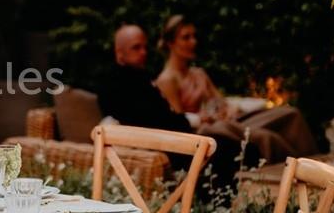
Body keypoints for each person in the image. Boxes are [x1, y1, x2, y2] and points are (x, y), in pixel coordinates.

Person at [97, 24, 248, 186]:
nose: (144, 52)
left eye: (144, 47)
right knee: (229, 148)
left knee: (232, 146)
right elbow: (154, 121)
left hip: (168, 138)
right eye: (136, 48)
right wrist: (195, 120)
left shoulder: (137, 77)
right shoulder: (118, 84)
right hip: (159, 146)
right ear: (120, 53)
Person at [155, 14, 317, 162]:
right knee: (266, 137)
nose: (193, 42)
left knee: (291, 114)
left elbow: (220, 101)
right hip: (205, 131)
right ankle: (297, 170)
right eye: (186, 38)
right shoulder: (168, 79)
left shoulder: (198, 73)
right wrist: (206, 117)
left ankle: (316, 162)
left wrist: (229, 109)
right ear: (171, 43)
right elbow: (178, 121)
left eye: (194, 36)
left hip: (228, 120)